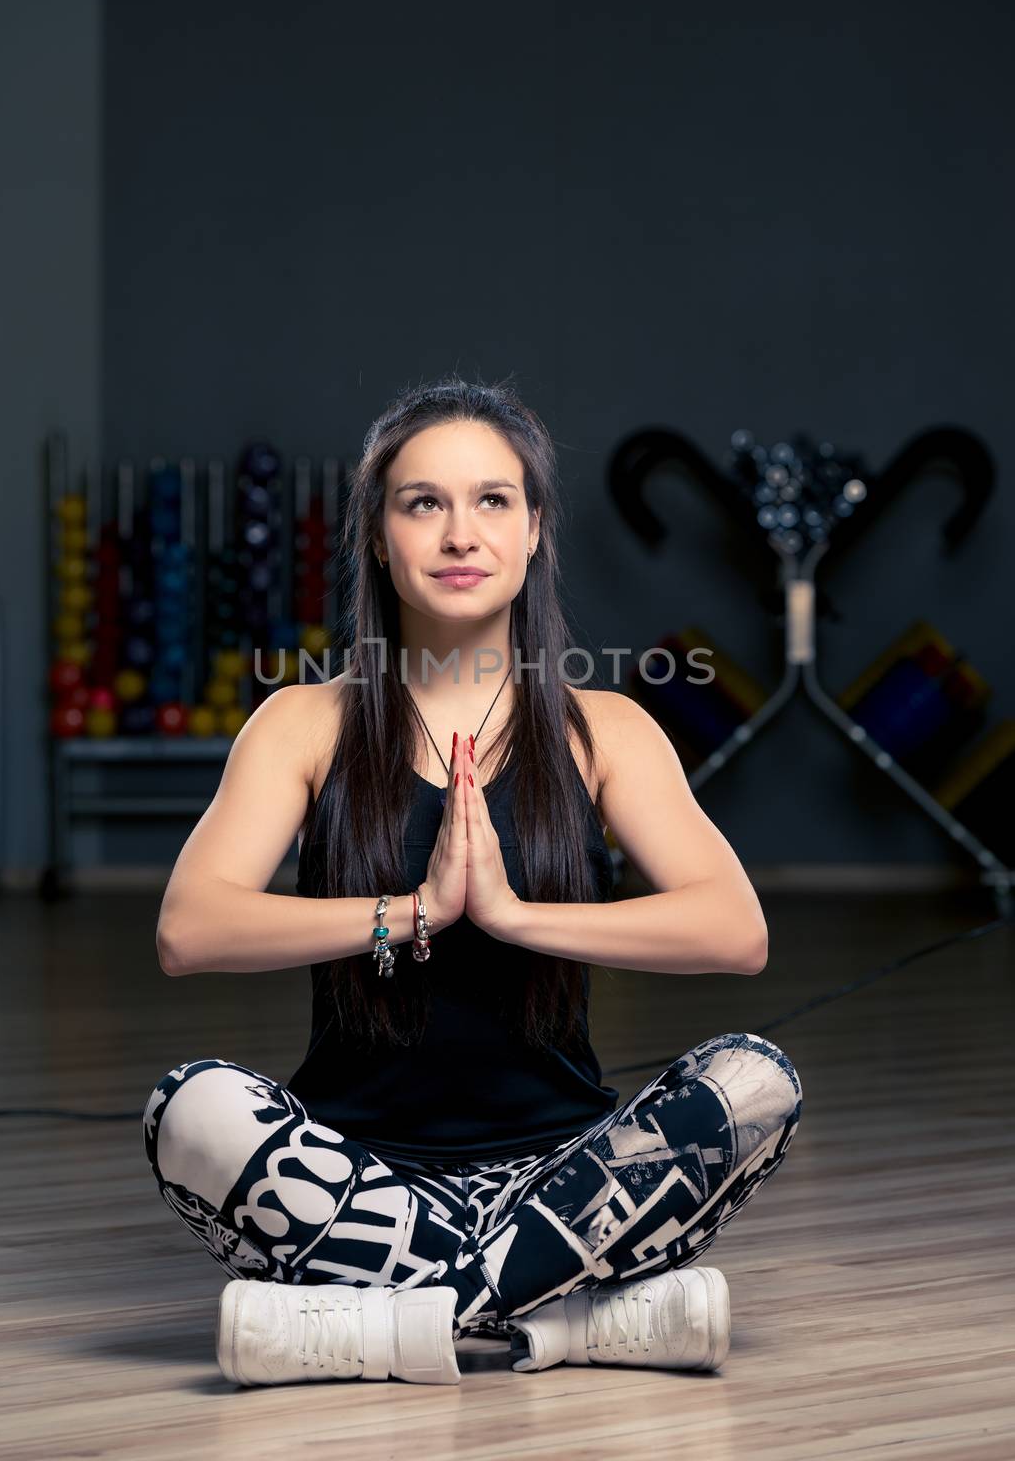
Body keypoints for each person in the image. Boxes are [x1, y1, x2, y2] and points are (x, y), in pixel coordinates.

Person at [143, 374, 803, 1387]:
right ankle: (567, 1322)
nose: (461, 533)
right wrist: (408, 914)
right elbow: (190, 930)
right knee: (188, 1109)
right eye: (424, 503)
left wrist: (511, 916)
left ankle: (385, 1327)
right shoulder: (304, 724)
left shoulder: (604, 729)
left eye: (493, 500)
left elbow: (734, 932)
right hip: (360, 1175)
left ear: (534, 530)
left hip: (557, 1177)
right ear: (378, 536)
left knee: (758, 1079)